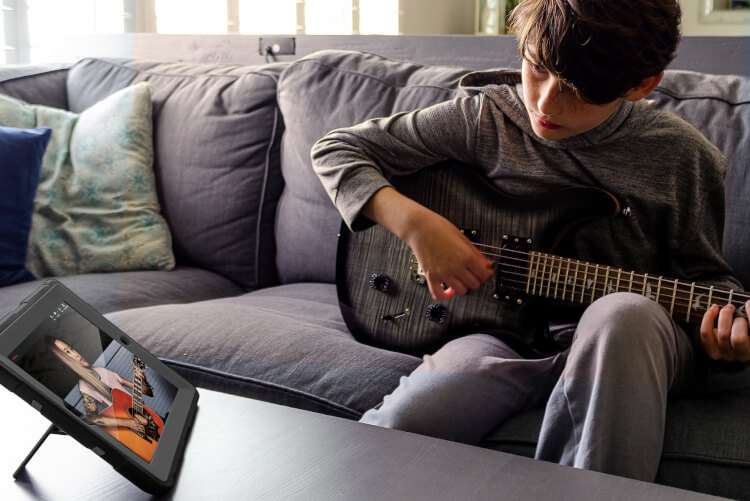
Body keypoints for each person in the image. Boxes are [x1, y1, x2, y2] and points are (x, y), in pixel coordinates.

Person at [310, 0, 750, 482]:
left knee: (623, 313)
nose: (545, 103)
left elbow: (706, 279)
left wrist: (723, 343)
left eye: (579, 91)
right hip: (502, 333)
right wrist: (418, 226)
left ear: (642, 84)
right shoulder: (488, 119)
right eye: (537, 68)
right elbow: (337, 149)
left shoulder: (683, 156)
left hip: (632, 341)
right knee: (403, 424)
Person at [46, 336, 158, 439]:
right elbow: (94, 417)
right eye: (67, 352)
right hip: (135, 433)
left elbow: (147, 392)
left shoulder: (102, 371)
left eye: (71, 349)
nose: (76, 354)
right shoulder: (85, 386)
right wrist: (127, 423)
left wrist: (142, 379)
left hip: (149, 420)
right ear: (65, 361)